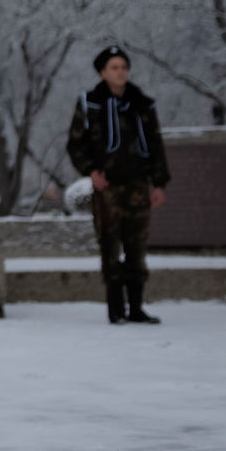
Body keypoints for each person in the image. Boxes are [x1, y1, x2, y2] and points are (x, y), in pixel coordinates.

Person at [66, 45, 169, 325]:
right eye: (114, 68)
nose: (120, 72)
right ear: (102, 72)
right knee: (110, 245)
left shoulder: (142, 104)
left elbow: (156, 144)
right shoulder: (90, 104)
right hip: (107, 187)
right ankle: (115, 309)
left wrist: (159, 183)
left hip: (137, 184)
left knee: (136, 246)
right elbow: (76, 144)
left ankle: (136, 307)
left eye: (124, 67)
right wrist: (90, 171)